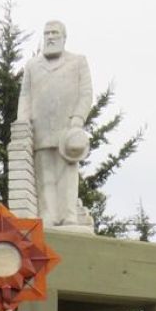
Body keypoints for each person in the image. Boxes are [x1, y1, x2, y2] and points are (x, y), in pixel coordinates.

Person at [15, 20, 93, 229]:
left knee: (67, 175)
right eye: (47, 33)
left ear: (64, 38)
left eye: (55, 33)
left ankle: (69, 217)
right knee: (45, 177)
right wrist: (23, 121)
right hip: (40, 131)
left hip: (67, 132)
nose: (50, 37)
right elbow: (25, 96)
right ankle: (47, 218)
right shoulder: (32, 65)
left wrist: (77, 120)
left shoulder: (77, 62)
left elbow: (86, 95)